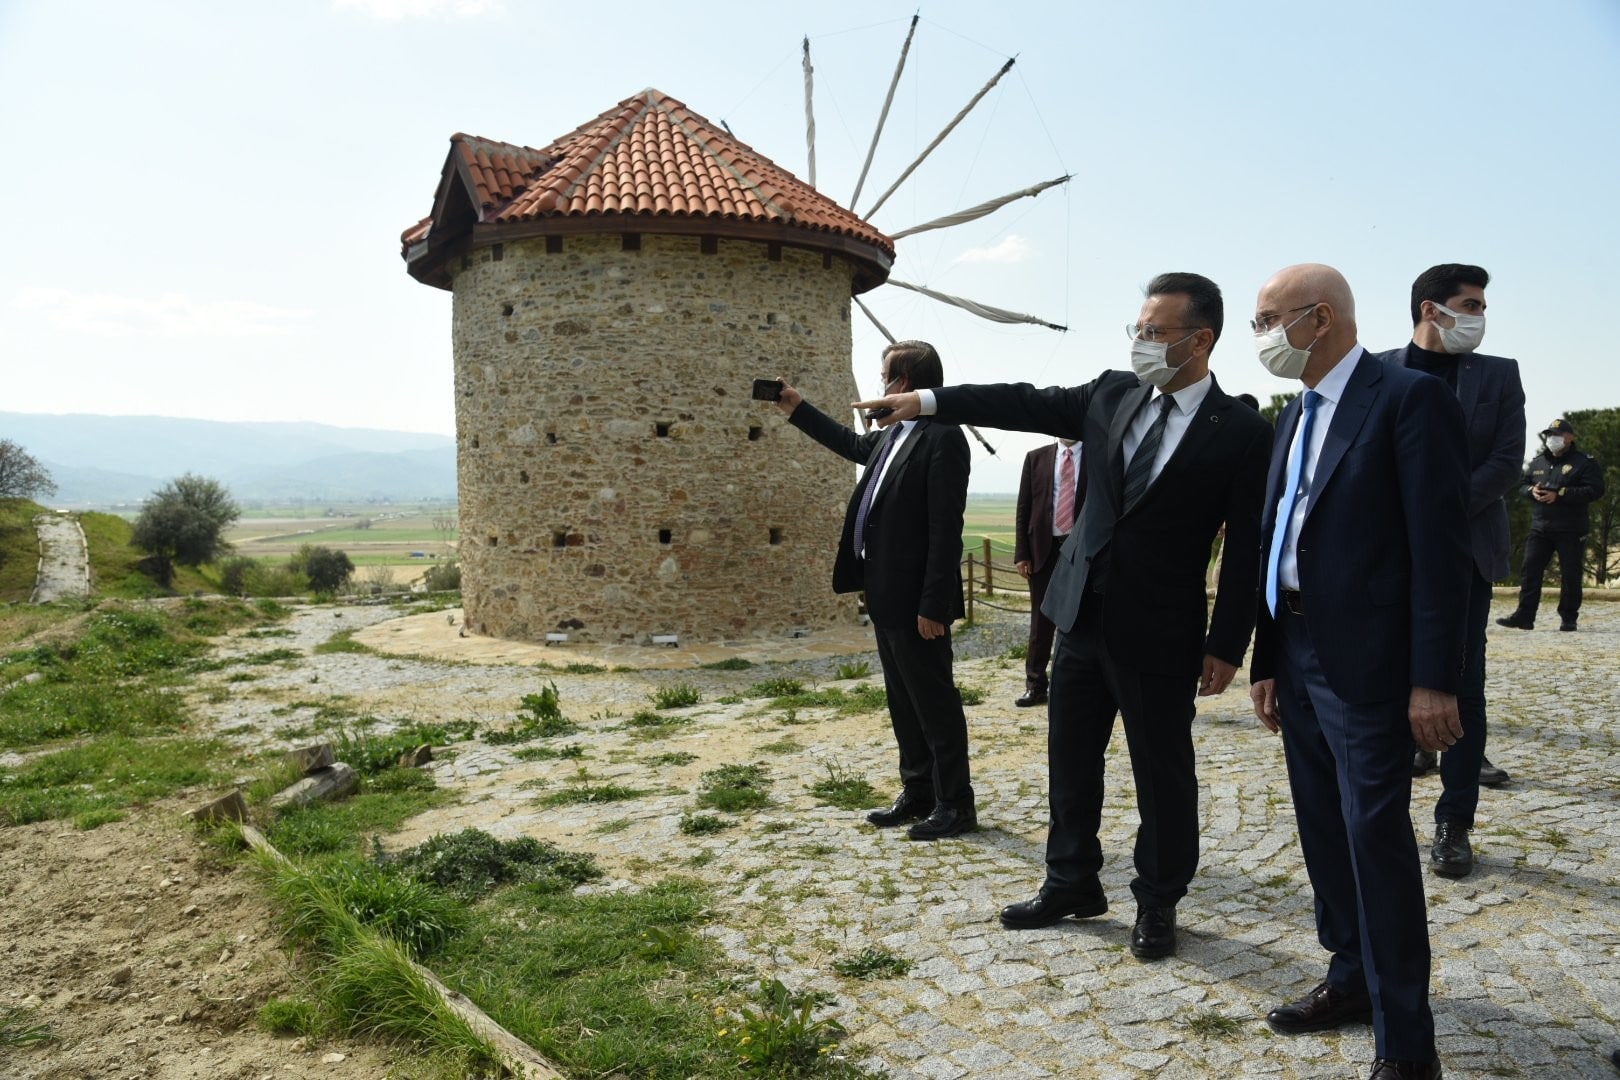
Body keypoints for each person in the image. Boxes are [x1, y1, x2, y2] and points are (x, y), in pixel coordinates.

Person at [854, 272, 1271, 960]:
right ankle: (1070, 879)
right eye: (1136, 330)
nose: (1140, 342)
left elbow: (1249, 546)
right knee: (1070, 761)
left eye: (1154, 332)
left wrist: (1228, 643)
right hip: (1077, 617)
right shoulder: (1110, 393)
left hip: (1160, 631)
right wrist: (925, 401)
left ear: (1200, 340)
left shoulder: (1243, 431)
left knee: (1162, 773)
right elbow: (1023, 400)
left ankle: (1159, 900)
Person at [1248, 264, 1470, 1080]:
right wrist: (1268, 658)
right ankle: (1348, 979)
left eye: (1268, 319)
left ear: (1322, 317)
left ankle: (1407, 1044)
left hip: (1372, 668)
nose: (1260, 336)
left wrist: (1432, 678)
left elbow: (1438, 551)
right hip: (1299, 656)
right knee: (1323, 833)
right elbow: (1282, 541)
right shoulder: (1294, 413)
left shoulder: (1407, 399)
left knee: (1375, 839)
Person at [773, 340, 976, 841]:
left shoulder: (942, 437)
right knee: (903, 700)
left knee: (934, 703)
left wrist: (934, 604)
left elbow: (945, 529)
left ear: (905, 382)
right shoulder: (891, 436)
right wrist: (797, 409)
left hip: (917, 601)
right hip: (883, 592)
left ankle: (955, 803)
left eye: (885, 374)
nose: (880, 382)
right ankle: (918, 792)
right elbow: (849, 443)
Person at [1376, 263, 1525, 877]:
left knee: (1462, 686)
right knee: (1382, 686)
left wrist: (1432, 507)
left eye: (1484, 306)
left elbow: (1506, 464)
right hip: (1386, 556)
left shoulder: (1498, 375)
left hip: (1465, 553)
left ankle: (1454, 821)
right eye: (1471, 304)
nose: (1480, 317)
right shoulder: (1377, 370)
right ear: (1432, 309)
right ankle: (1379, 819)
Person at [1498, 417, 1606, 632]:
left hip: (1571, 529)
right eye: (1550, 435)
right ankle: (1524, 616)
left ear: (1571, 437)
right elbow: (1523, 485)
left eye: (1558, 434)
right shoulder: (1538, 462)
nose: (1552, 438)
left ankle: (1568, 618)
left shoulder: (1584, 462)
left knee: (1570, 574)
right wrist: (1532, 492)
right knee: (1530, 571)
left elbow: (1595, 490)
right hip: (1541, 527)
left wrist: (1561, 494)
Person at [1012, 438, 1085, 707]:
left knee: (1081, 620)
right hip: (1043, 549)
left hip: (1081, 549)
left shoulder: (1096, 453)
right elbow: (1024, 507)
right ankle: (1035, 685)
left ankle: (1076, 685)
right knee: (1041, 622)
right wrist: (1022, 553)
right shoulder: (1036, 457)